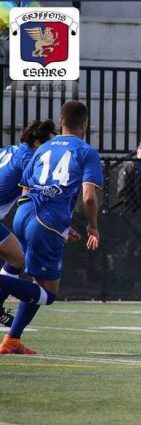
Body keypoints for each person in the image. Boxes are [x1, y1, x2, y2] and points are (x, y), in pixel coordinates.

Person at [0, 101, 102, 355]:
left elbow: (26, 186)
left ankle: (12, 340)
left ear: (61, 122)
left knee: (20, 266)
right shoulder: (86, 151)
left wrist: (61, 228)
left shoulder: (42, 148)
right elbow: (89, 197)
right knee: (48, 292)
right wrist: (93, 227)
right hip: (48, 221)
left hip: (23, 214)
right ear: (85, 126)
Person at [0, 119, 56, 327]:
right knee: (19, 258)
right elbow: (35, 193)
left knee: (17, 259)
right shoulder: (30, 158)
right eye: (47, 143)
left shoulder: (11, 150)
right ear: (36, 142)